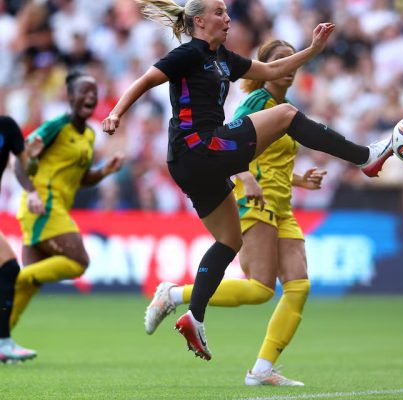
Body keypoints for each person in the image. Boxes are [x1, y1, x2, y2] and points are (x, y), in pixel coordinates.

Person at [102, 0, 392, 361]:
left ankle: (195, 316)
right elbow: (146, 80)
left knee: (229, 240)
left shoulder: (223, 58)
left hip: (190, 163)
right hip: (202, 146)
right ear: (199, 21)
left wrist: (313, 50)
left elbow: (272, 69)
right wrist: (115, 113)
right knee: (286, 114)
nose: (227, 18)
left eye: (227, 11)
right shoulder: (187, 54)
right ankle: (364, 156)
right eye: (219, 12)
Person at [144, 39, 325, 385]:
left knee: (299, 286)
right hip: (254, 201)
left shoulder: (286, 107)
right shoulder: (258, 101)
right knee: (260, 289)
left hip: (281, 205)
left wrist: (301, 180)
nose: (289, 66)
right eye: (280, 59)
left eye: (292, 60)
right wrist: (245, 177)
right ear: (267, 67)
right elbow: (226, 144)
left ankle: (262, 369)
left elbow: (272, 163)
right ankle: (174, 295)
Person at [10, 71, 124, 332]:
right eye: (84, 91)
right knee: (78, 261)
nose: (90, 96)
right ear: (71, 97)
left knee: (29, 284)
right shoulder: (57, 126)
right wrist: (31, 191)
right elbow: (20, 160)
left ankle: (3, 338)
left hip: (55, 207)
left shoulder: (90, 135)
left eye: (94, 92)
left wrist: (105, 171)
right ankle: (8, 279)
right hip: (42, 205)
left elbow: (81, 179)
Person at [0, 116, 45, 363]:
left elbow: (29, 170)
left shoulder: (7, 128)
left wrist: (34, 157)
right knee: (8, 267)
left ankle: (3, 343)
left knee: (8, 268)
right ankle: (3, 343)